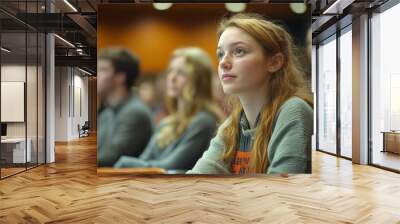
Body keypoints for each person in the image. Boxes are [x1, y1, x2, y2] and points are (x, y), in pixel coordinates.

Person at [187, 13, 313, 174]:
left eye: (239, 51)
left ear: (274, 62)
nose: (223, 62)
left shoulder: (293, 111)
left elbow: (279, 193)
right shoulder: (233, 125)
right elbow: (197, 180)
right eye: (220, 54)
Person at [113, 47, 224, 172]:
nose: (172, 78)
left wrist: (125, 162)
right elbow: (144, 160)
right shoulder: (168, 122)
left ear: (199, 80)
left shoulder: (204, 121)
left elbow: (169, 166)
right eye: (171, 71)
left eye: (181, 73)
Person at [97, 48, 153, 167]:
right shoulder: (108, 111)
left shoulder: (135, 112)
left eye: (102, 69)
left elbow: (109, 158)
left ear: (120, 77)